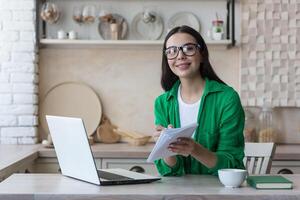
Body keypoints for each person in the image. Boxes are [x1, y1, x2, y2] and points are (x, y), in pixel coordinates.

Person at [153, 25, 245, 176]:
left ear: (202, 54)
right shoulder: (163, 103)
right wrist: (166, 148)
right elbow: (168, 172)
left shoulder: (227, 98)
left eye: (188, 48)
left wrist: (194, 149)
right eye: (171, 51)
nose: (180, 56)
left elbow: (232, 163)